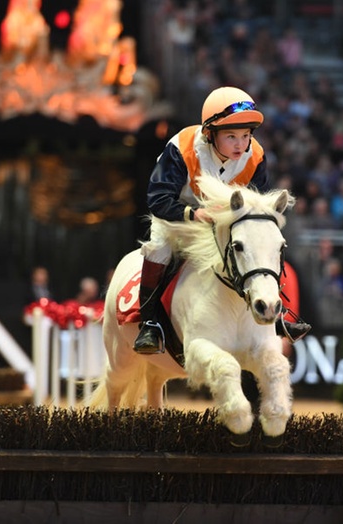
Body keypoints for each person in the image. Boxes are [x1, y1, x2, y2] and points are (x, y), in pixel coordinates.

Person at [133, 86, 310, 354]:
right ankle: (149, 324)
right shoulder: (181, 148)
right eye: (231, 136)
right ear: (209, 133)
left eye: (246, 135)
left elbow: (258, 204)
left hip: (223, 220)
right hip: (178, 216)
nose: (241, 144)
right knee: (159, 249)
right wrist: (193, 214)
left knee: (262, 245)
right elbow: (157, 199)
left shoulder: (256, 155)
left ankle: (278, 316)